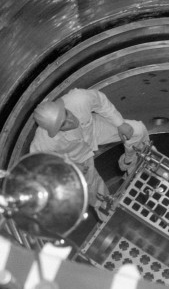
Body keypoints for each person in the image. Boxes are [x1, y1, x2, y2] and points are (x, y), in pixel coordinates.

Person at [30, 88, 149, 217]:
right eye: (63, 124)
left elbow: (101, 102)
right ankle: (108, 210)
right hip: (76, 156)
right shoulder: (44, 142)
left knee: (138, 131)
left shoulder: (78, 99)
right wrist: (70, 168)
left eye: (67, 114)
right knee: (92, 187)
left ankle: (131, 164)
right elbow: (39, 164)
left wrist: (119, 123)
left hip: (93, 130)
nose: (71, 121)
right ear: (54, 131)